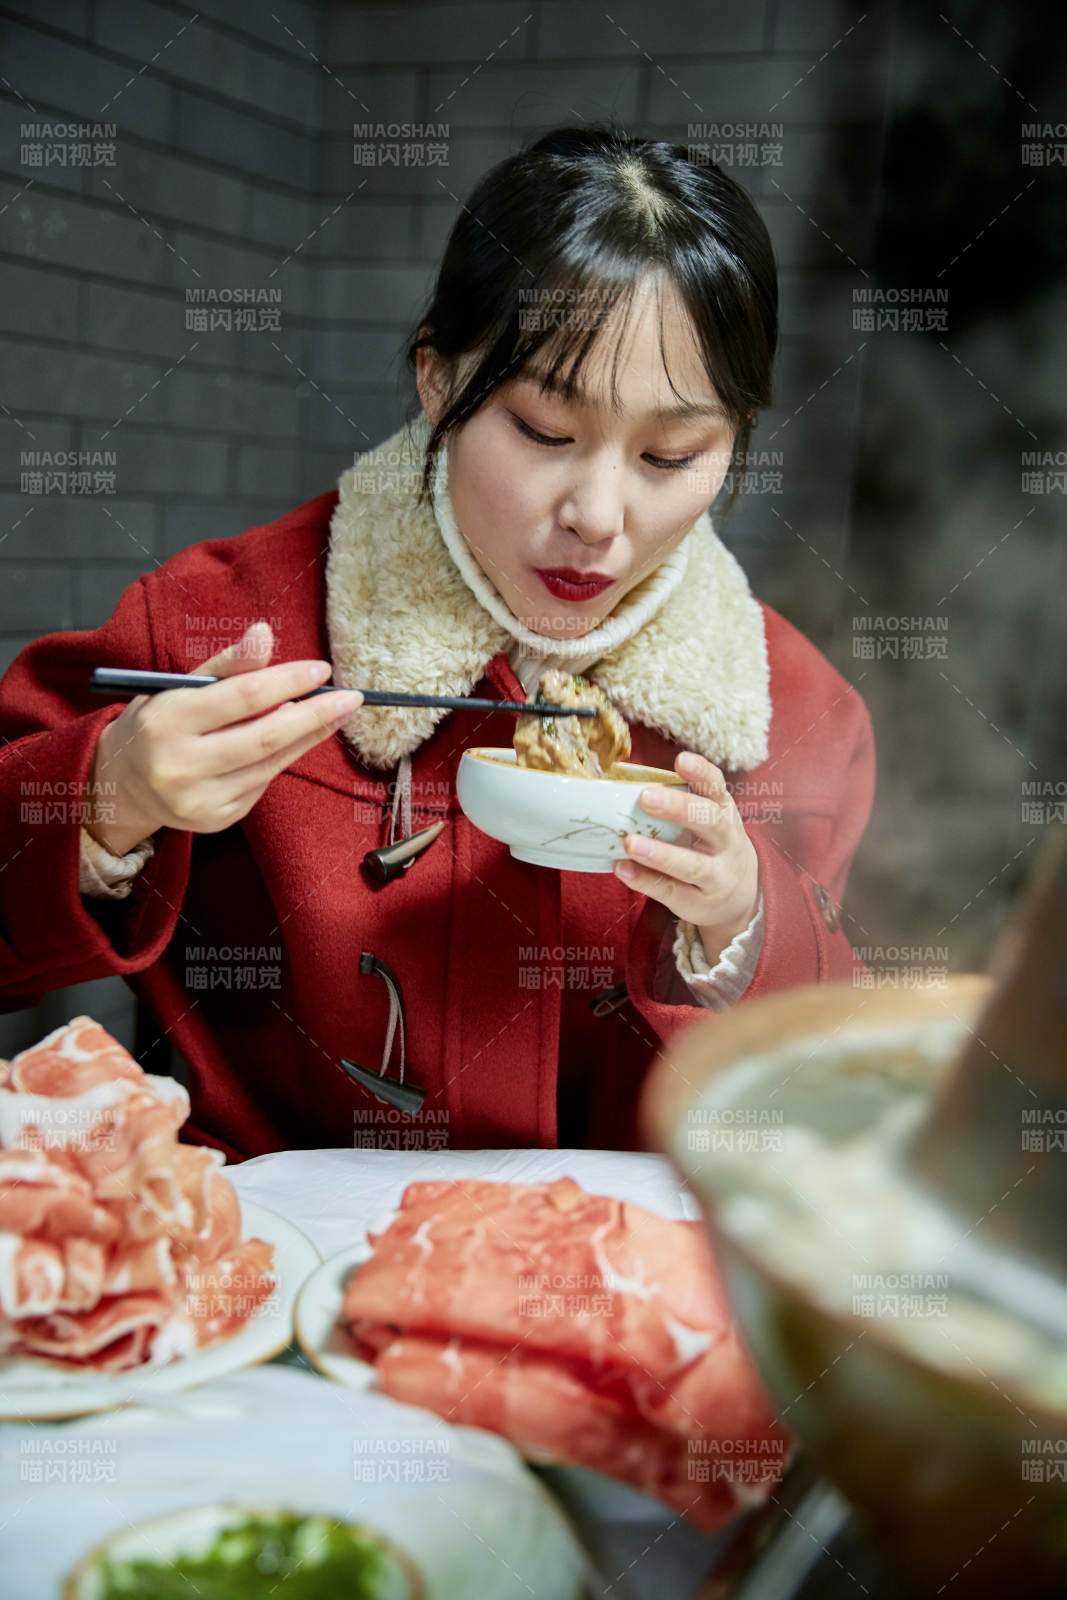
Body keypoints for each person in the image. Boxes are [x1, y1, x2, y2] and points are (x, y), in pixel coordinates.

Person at [0, 125, 874, 1160]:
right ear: (436, 381)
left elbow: (836, 1077)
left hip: (608, 1294)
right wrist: (109, 798)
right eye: (544, 432)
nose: (596, 515)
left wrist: (741, 923)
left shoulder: (792, 715)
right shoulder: (227, 625)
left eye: (669, 453)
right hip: (276, 1280)